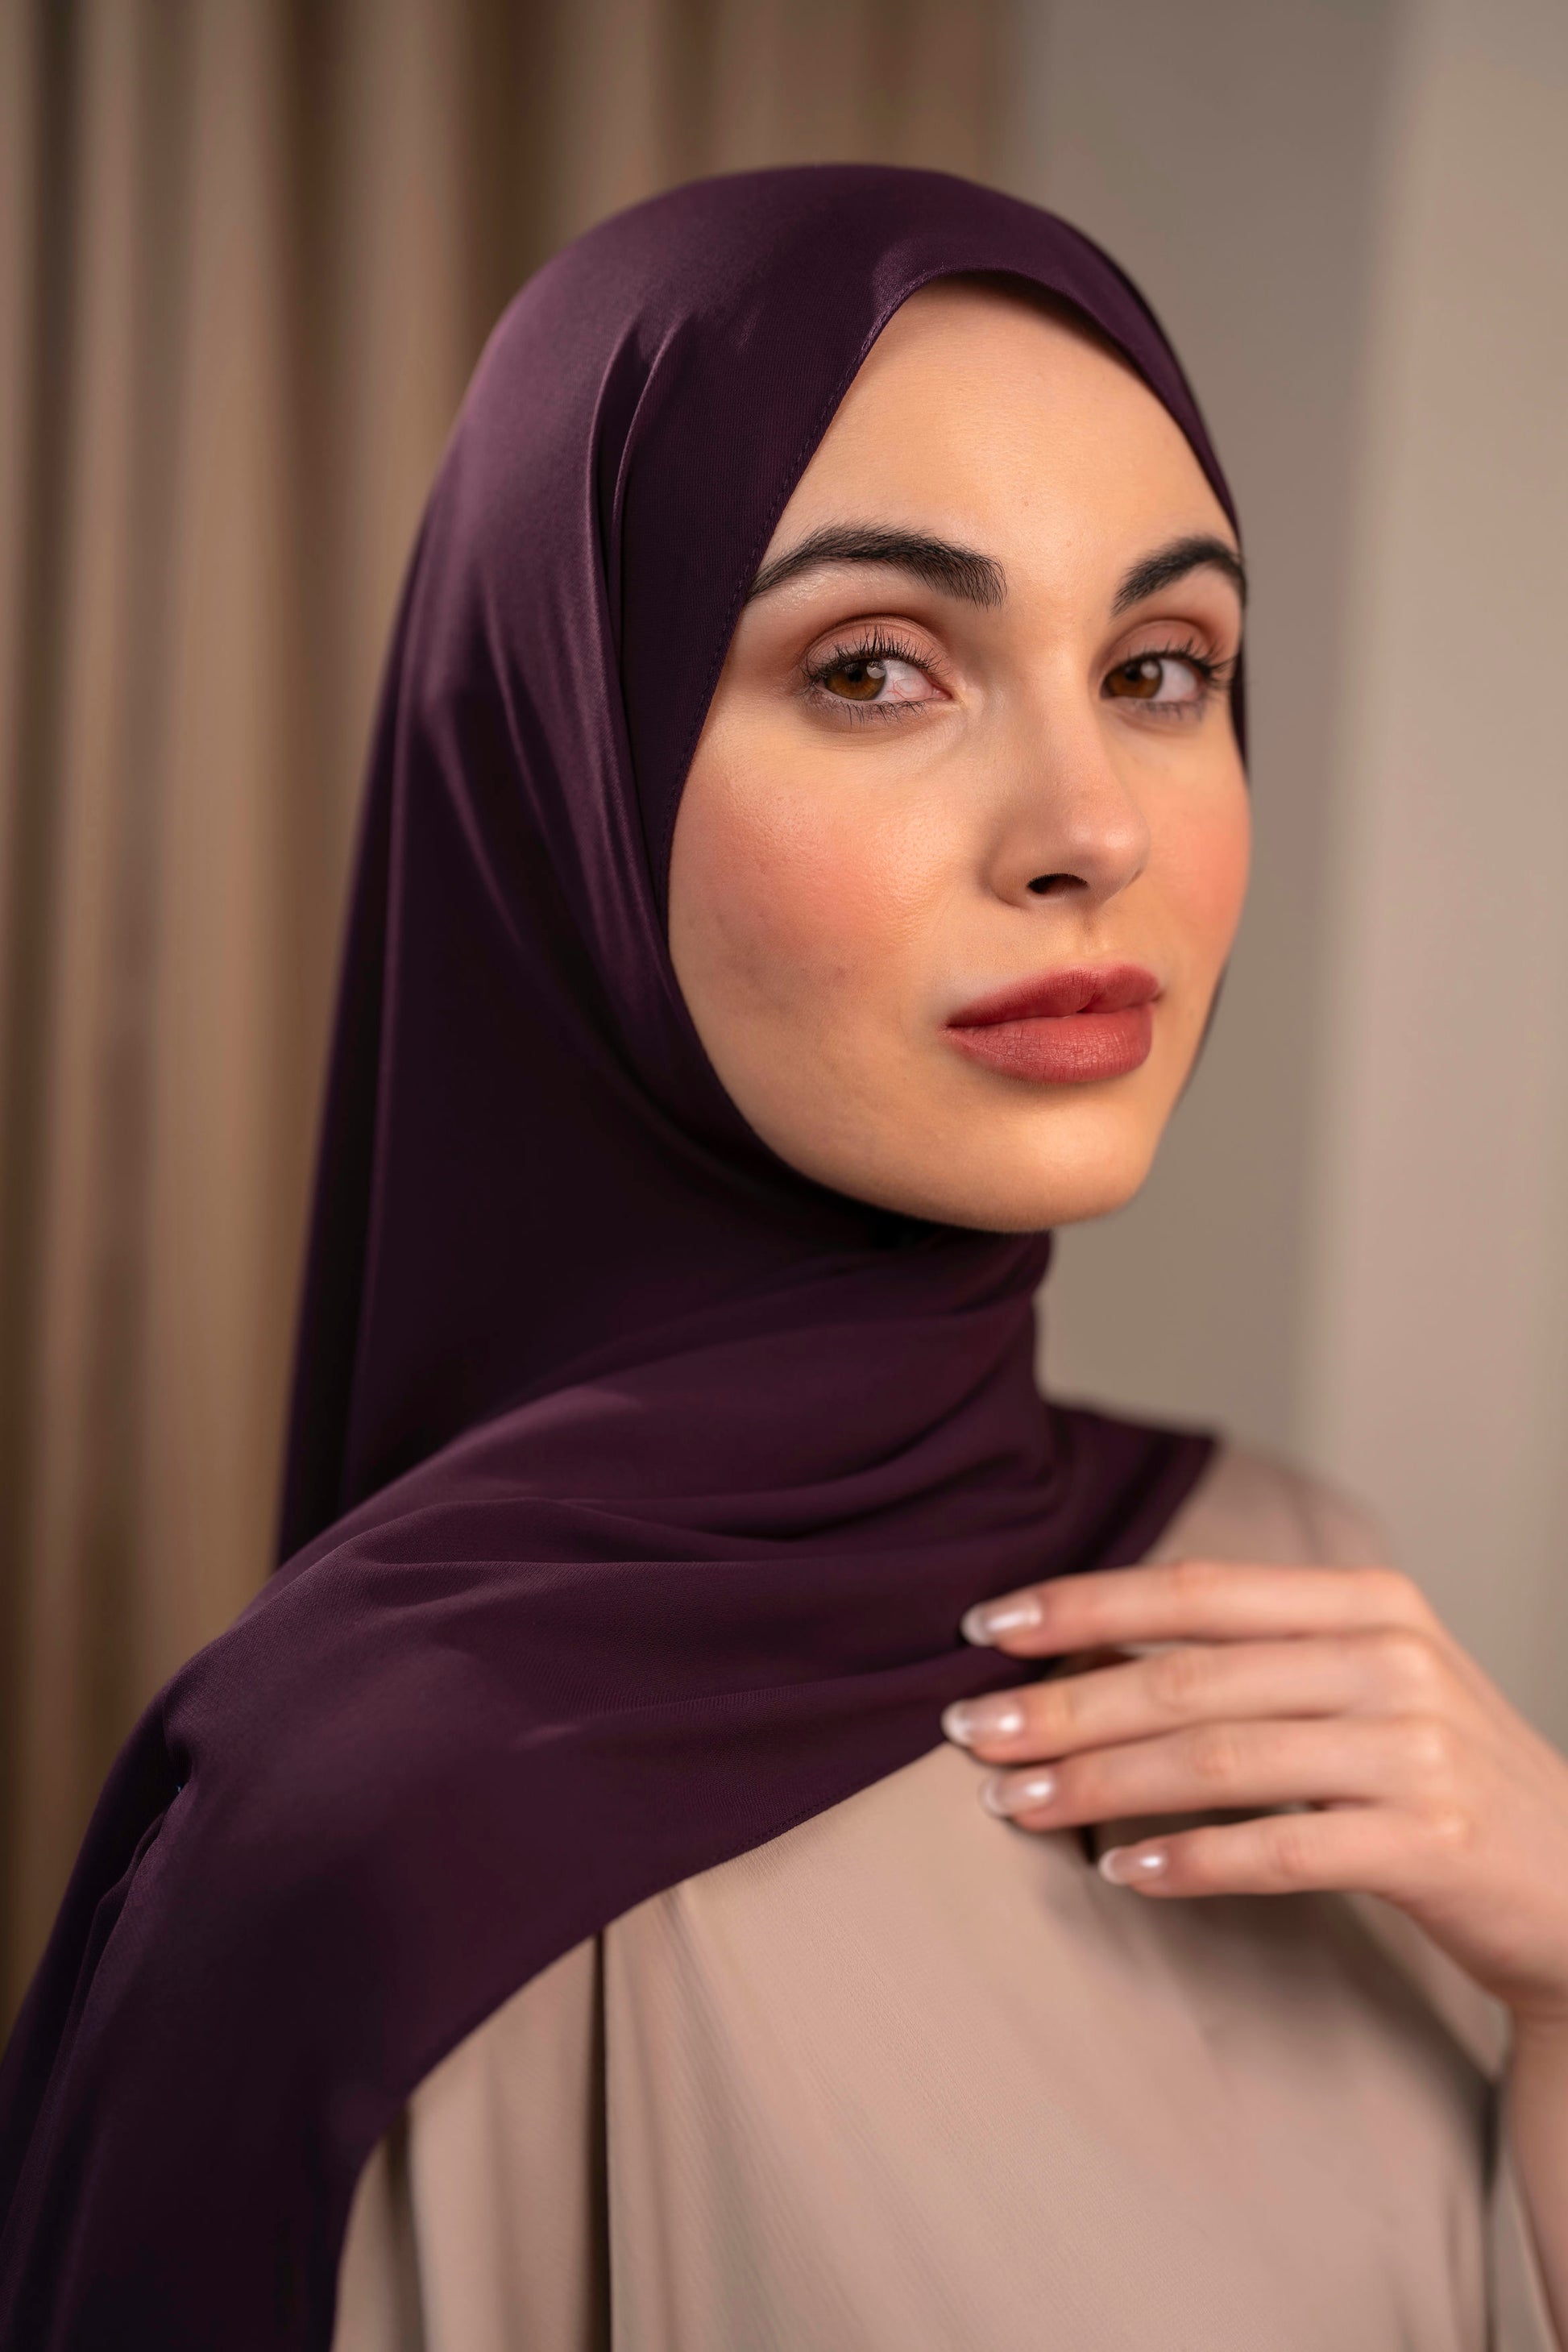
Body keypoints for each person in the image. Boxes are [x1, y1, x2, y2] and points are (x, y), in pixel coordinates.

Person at [1, 167, 1564, 2352]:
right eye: (873, 668)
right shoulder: (347, 1856)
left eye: (1156, 666)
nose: (1087, 826)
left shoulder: (1295, 1599)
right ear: (564, 765)